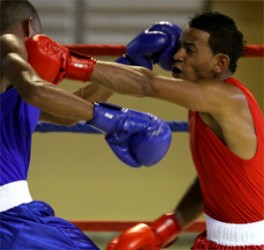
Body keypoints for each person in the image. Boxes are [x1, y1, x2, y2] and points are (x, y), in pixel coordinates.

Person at [25, 10, 263, 249]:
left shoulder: (227, 98)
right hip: (215, 240)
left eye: (190, 50)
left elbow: (148, 84)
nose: (177, 55)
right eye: (179, 47)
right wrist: (169, 226)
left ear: (219, 63)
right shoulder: (202, 103)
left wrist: (70, 62)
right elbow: (213, 180)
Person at [0, 0, 173, 249]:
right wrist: (114, 122)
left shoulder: (10, 87)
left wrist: (129, 62)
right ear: (29, 28)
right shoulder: (7, 43)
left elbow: (68, 111)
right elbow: (35, 91)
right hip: (11, 221)